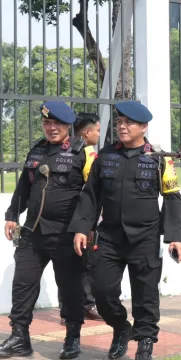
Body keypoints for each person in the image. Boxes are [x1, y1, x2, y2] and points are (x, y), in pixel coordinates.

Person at [70, 101, 181, 360]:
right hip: (110, 237)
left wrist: (175, 236)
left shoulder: (159, 158)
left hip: (145, 238)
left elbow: (172, 197)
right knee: (101, 291)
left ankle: (144, 348)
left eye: (128, 123)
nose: (122, 126)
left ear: (143, 127)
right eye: (120, 122)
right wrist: (81, 228)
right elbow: (91, 195)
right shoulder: (105, 156)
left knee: (146, 296)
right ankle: (121, 326)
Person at [0, 101, 92, 360]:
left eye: (57, 123)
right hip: (33, 231)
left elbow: (93, 196)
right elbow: (23, 188)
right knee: (22, 283)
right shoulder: (37, 151)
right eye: (47, 123)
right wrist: (12, 215)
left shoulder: (83, 153)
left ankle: (72, 337)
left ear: (68, 125)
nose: (51, 128)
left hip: (67, 235)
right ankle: (19, 337)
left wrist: (85, 228)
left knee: (70, 288)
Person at [73, 112, 103, 321]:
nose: (99, 135)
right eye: (97, 130)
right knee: (86, 263)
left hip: (68, 216)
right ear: (86, 132)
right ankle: (88, 304)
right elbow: (93, 191)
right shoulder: (89, 154)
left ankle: (71, 307)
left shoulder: (65, 150)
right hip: (83, 219)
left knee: (69, 266)